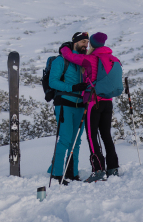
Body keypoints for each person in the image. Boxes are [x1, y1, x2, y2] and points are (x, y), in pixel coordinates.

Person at [60, 32, 120, 183]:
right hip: (108, 101)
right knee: (106, 135)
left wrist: (64, 48)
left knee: (92, 136)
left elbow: (71, 57)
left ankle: (98, 170)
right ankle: (113, 168)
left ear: (92, 44)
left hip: (93, 102)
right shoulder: (113, 58)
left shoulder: (91, 59)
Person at [47, 31, 89, 185]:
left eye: (87, 42)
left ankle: (72, 172)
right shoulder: (61, 60)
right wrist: (73, 87)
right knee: (65, 139)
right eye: (83, 41)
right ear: (75, 42)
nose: (85, 44)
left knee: (76, 141)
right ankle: (57, 174)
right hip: (64, 103)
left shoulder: (83, 61)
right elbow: (53, 82)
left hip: (80, 105)